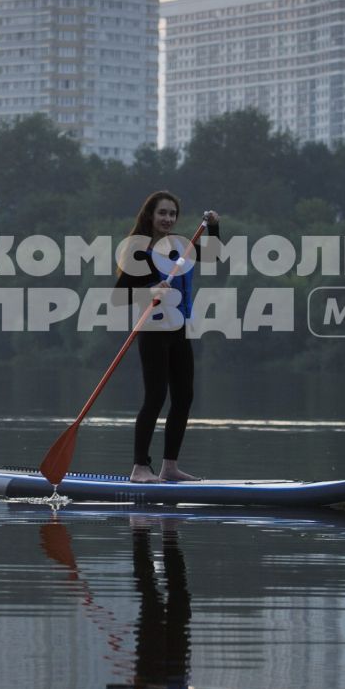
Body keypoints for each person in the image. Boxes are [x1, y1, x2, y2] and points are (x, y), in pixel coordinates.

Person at [114, 191, 220, 483]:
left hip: (181, 330)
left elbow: (212, 255)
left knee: (184, 396)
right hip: (152, 331)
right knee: (156, 396)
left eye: (172, 214)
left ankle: (169, 467)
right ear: (151, 215)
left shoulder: (180, 249)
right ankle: (139, 468)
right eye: (163, 213)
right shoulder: (139, 252)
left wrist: (214, 228)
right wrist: (150, 291)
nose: (168, 219)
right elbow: (119, 297)